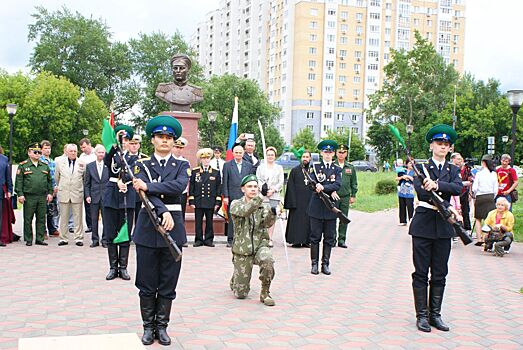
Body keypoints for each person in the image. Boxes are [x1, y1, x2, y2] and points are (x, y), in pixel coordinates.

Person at [132, 115, 189, 346]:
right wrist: (163, 210)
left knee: (168, 281)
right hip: (148, 227)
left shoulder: (182, 165)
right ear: (152, 140)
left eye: (168, 137)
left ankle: (162, 326)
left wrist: (149, 186)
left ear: (173, 141)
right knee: (146, 281)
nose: (164, 141)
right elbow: (140, 190)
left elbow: (178, 186)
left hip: (173, 230)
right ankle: (147, 327)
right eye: (160, 137)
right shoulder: (141, 165)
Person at [409, 124, 463, 333]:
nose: (443, 147)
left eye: (446, 144)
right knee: (421, 272)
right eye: (439, 143)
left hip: (443, 226)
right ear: (431, 145)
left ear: (449, 148)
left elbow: (458, 188)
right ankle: (421, 315)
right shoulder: (420, 168)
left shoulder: (453, 169)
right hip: (423, 224)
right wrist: (428, 185)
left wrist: (437, 185)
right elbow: (421, 194)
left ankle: (435, 315)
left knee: (440, 272)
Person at [229, 174, 277, 306]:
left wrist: (273, 213)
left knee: (268, 261)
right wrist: (261, 198)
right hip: (242, 250)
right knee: (240, 294)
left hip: (259, 245)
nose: (253, 189)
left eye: (256, 187)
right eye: (249, 186)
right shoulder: (235, 204)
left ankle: (265, 292)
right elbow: (245, 211)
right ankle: (236, 278)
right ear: (242, 189)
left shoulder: (262, 206)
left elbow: (267, 224)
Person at [103, 125, 136, 281]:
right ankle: (112, 267)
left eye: (127, 140)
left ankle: (123, 268)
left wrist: (126, 183)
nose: (124, 143)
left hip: (127, 197)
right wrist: (117, 181)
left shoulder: (136, 158)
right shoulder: (112, 154)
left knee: (125, 234)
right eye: (122, 139)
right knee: (111, 233)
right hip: (111, 196)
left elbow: (136, 174)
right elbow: (108, 164)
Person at [307, 140, 342, 275]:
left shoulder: (337, 169)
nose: (328, 154)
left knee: (329, 238)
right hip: (316, 206)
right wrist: (317, 187)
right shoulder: (315, 167)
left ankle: (325, 264)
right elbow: (310, 184)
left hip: (330, 208)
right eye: (325, 152)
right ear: (321, 153)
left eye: (330, 152)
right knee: (315, 237)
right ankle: (314, 264)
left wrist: (324, 187)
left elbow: (337, 185)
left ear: (333, 154)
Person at [15, 143, 54, 246]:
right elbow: (19, 181)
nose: (37, 154)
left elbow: (50, 181)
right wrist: (20, 194)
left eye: (39, 152)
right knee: (28, 218)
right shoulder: (23, 165)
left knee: (41, 218)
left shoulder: (44, 166)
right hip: (29, 196)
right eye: (35, 152)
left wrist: (50, 193)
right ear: (29, 153)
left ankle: (39, 238)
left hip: (42, 196)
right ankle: (28, 239)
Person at [188, 148, 222, 247]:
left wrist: (217, 202)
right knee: (198, 222)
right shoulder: (195, 171)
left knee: (209, 221)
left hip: (210, 201)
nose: (206, 160)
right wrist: (192, 201)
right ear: (201, 160)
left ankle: (208, 240)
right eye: (204, 158)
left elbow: (218, 188)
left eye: (208, 158)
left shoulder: (215, 172)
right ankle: (198, 239)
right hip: (199, 201)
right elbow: (192, 187)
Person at [222, 145, 254, 247]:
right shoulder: (227, 165)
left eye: (240, 152)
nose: (238, 154)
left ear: (243, 153)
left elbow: (250, 181)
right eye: (236, 152)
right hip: (232, 196)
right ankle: (231, 239)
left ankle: (243, 238)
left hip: (245, 196)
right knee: (232, 218)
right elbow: (225, 181)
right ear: (233, 153)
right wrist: (226, 196)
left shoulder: (248, 165)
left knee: (245, 218)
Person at [55, 144, 86, 246]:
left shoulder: (82, 163)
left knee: (78, 217)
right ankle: (63, 238)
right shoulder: (60, 162)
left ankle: (78, 238)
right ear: (66, 152)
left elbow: (84, 178)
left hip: (77, 193)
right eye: (71, 151)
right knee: (63, 217)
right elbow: (57, 177)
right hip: (64, 192)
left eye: (75, 151)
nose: (73, 153)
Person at [256, 146, 284, 247]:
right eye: (268, 155)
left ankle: (269, 238)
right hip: (263, 195)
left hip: (274, 195)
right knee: (262, 216)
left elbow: (281, 181)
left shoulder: (279, 168)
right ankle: (261, 238)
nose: (270, 157)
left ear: (275, 156)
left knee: (272, 217)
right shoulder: (261, 167)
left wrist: (273, 190)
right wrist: (263, 189)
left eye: (272, 155)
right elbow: (258, 179)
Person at [284, 150, 313, 247]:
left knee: (308, 221)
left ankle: (306, 241)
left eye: (307, 157)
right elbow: (290, 186)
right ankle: (296, 241)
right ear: (301, 158)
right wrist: (292, 202)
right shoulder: (295, 170)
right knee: (296, 221)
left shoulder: (313, 171)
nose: (305, 159)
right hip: (297, 200)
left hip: (309, 200)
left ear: (310, 158)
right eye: (303, 157)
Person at [84, 144, 109, 248]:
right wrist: (87, 195)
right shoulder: (90, 166)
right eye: (99, 152)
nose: (101, 154)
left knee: (106, 219)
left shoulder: (108, 165)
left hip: (106, 196)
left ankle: (105, 240)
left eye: (103, 152)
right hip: (94, 196)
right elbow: (87, 183)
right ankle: (95, 240)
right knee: (94, 219)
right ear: (95, 153)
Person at [333, 144, 357, 248]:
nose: (341, 154)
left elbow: (354, 182)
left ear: (346, 153)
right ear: (336, 153)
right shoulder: (333, 165)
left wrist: (353, 195)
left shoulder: (350, 167)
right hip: (334, 195)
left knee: (344, 218)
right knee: (332, 218)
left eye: (343, 152)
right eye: (339, 152)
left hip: (345, 196)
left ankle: (341, 240)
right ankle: (332, 239)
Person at [472, 154, 498, 246]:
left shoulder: (479, 174)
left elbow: (474, 188)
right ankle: (486, 238)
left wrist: (474, 196)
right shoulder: (494, 174)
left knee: (478, 218)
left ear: (483, 163)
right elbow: (496, 189)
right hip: (490, 196)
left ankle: (479, 238)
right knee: (489, 218)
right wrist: (493, 197)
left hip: (480, 196)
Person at [126, 134, 149, 228]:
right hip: (127, 190)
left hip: (140, 191)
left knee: (140, 215)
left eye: (136, 144)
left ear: (139, 145)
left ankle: (137, 236)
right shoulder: (123, 158)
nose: (134, 146)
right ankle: (127, 237)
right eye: (131, 144)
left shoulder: (145, 158)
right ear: (128, 145)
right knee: (128, 217)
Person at [39, 140, 59, 238]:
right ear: (41, 149)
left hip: (53, 188)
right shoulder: (40, 161)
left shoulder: (52, 161)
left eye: (49, 148)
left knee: (52, 210)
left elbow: (54, 176)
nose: (47, 150)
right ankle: (43, 231)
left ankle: (52, 228)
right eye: (45, 148)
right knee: (43, 211)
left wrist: (55, 186)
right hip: (44, 188)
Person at [79, 138, 97, 234]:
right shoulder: (82, 156)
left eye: (84, 147)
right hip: (87, 181)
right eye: (81, 148)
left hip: (97, 181)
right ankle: (90, 225)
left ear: (89, 145)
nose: (83, 149)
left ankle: (97, 224)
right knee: (88, 205)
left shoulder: (96, 153)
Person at [171, 137, 190, 223]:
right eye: (176, 147)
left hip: (182, 192)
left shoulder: (186, 162)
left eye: (181, 148)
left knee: (180, 214)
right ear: (172, 147)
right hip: (169, 191)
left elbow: (187, 178)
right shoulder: (167, 160)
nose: (179, 150)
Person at [0, 144, 13, 246]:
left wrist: (9, 189)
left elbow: (7, 175)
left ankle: (1, 238)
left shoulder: (4, 159)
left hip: (1, 190)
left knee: (0, 216)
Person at [396, 158, 415, 226]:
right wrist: (402, 177)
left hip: (410, 192)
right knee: (402, 206)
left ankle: (411, 220)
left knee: (410, 207)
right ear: (406, 164)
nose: (411, 165)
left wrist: (408, 177)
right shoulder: (402, 171)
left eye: (412, 163)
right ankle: (403, 221)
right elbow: (397, 178)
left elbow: (415, 180)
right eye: (410, 163)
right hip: (402, 191)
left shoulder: (414, 172)